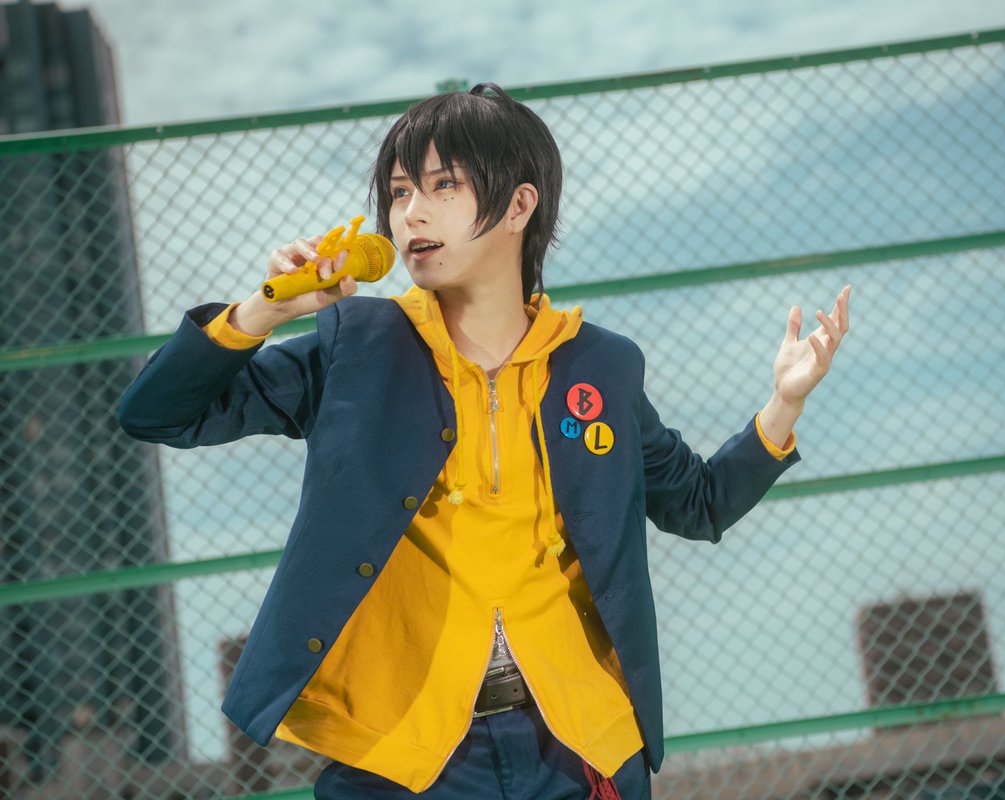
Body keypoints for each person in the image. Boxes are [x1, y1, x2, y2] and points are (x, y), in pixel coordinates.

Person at [118, 83, 850, 799]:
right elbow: (160, 414)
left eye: (443, 185)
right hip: (402, 755)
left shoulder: (601, 365)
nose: (411, 212)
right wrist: (263, 310)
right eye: (399, 192)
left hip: (579, 743)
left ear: (519, 206)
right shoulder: (358, 348)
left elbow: (698, 502)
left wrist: (784, 403)